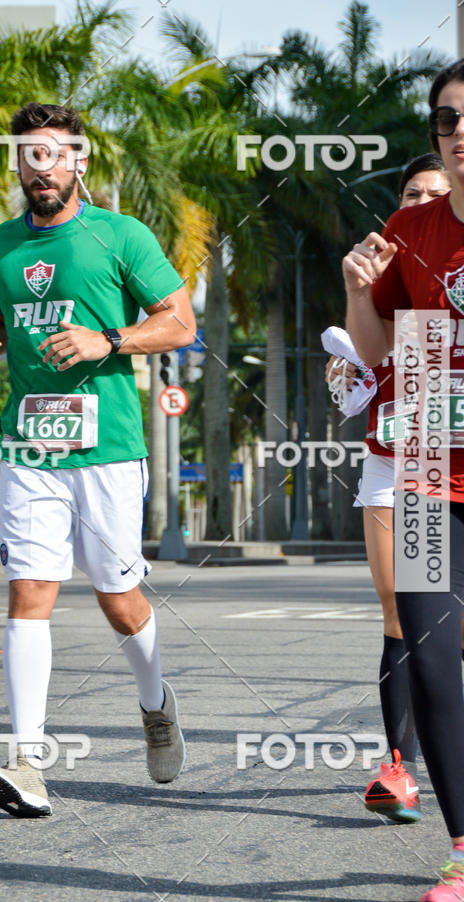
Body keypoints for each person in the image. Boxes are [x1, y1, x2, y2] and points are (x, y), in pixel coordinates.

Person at [0, 102, 196, 818]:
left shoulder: (120, 235)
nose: (42, 167)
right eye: (29, 154)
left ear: (79, 161)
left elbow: (180, 321)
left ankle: (155, 703)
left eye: (54, 153)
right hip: (30, 445)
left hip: (109, 447)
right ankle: (28, 761)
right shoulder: (2, 245)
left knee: (118, 601)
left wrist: (109, 342)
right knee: (29, 590)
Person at [344, 60, 464, 901]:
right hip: (424, 467)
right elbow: (382, 350)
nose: (459, 132)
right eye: (447, 119)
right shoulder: (412, 229)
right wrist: (358, 292)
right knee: (427, 655)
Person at [325, 154, 450, 825]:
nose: (424, 203)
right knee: (402, 616)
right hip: (392, 464)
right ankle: (397, 771)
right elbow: (350, 390)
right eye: (412, 195)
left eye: (437, 193)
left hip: (449, 466)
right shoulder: (379, 271)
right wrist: (348, 367)